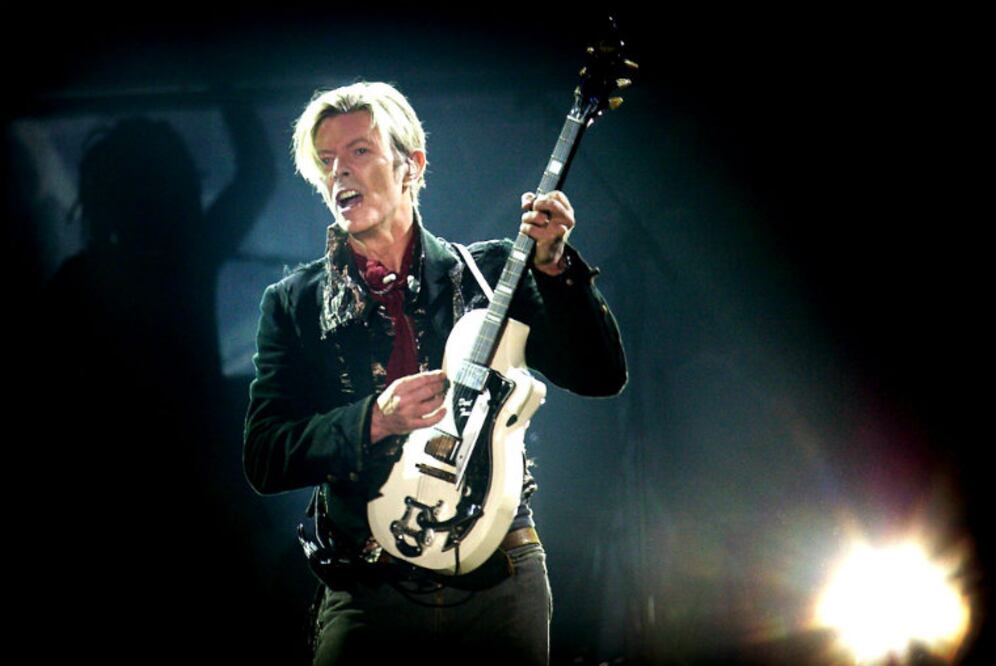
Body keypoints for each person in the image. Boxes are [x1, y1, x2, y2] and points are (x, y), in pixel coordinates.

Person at [243, 81, 626, 666]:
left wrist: (555, 271)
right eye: (327, 161)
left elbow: (599, 375)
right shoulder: (294, 304)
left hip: (500, 576)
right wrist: (374, 420)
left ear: (411, 165)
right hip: (368, 587)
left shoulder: (493, 272)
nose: (339, 172)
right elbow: (265, 455)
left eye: (360, 151)